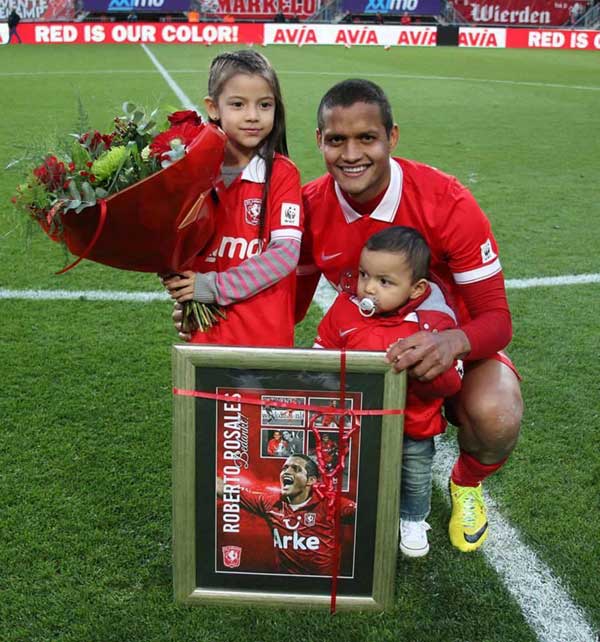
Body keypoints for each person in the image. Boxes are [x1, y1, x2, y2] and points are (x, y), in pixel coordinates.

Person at [297, 79, 523, 553]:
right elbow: (288, 306)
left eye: (367, 138)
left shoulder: (448, 201)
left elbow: (497, 320)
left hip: (452, 345)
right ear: (319, 140)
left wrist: (451, 343)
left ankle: (465, 482)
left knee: (497, 416)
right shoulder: (309, 206)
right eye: (336, 140)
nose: (351, 153)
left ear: (392, 138)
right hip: (368, 352)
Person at [314, 226, 463, 557]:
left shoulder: (432, 322)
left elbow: (452, 383)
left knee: (415, 472)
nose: (368, 287)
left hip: (413, 423)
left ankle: (413, 518)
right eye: (365, 274)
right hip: (356, 421)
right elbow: (322, 348)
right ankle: (355, 513)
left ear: (416, 289)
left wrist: (424, 369)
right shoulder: (345, 307)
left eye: (385, 282)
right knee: (353, 470)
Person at [162, 50, 303, 348]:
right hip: (207, 335)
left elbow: (285, 253)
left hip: (266, 338)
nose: (253, 115)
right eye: (238, 104)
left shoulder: (282, 174)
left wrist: (212, 287)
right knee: (201, 397)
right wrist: (184, 291)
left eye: (265, 105)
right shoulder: (194, 172)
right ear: (213, 108)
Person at [217, 454, 356, 574]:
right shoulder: (270, 503)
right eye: (284, 468)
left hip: (322, 588)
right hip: (286, 585)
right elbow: (224, 490)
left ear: (311, 480)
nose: (286, 472)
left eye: (295, 469)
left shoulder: (330, 504)